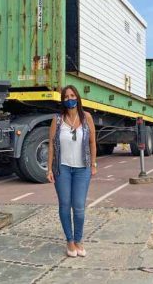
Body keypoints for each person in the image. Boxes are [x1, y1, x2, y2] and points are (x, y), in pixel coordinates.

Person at [46, 85, 97, 258]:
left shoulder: (87, 117)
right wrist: (49, 168)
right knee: (65, 205)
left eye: (72, 95)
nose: (69, 99)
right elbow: (52, 145)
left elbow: (92, 142)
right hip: (62, 168)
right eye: (66, 96)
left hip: (82, 168)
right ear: (63, 100)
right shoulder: (58, 120)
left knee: (79, 207)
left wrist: (94, 164)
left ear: (78, 97)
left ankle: (79, 240)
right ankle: (69, 241)